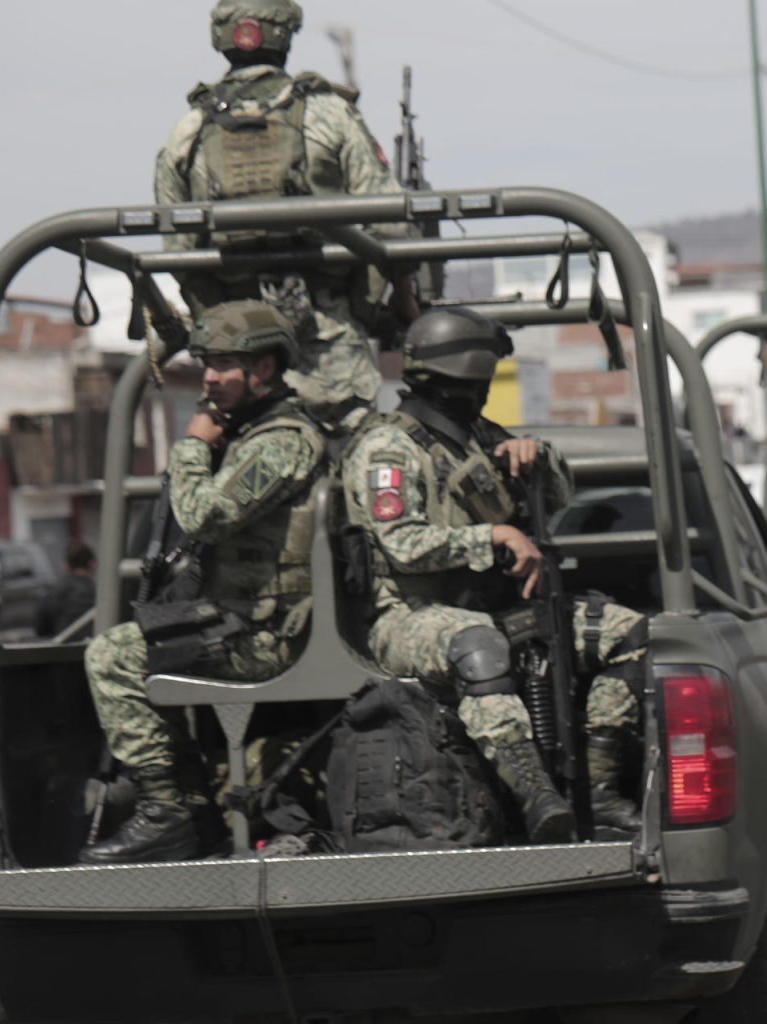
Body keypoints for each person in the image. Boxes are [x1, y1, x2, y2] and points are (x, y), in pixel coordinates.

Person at [342, 308, 648, 842]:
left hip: (489, 607)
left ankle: (597, 792)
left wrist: (536, 459)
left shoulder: (477, 435)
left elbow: (559, 497)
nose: (482, 393)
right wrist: (492, 537)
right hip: (407, 618)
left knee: (627, 633)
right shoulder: (388, 448)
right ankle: (534, 795)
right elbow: (402, 545)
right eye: (480, 382)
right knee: (479, 646)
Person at [81, 301, 323, 864]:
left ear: (263, 368)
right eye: (206, 363)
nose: (209, 377)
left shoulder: (282, 440)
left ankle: (169, 811)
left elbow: (204, 515)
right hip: (241, 619)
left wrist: (191, 445)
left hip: (265, 633)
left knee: (111, 657)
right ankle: (189, 809)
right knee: (130, 644)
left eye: (223, 365)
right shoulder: (252, 433)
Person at [155, 0, 414, 431]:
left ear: (220, 39)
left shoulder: (188, 131)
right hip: (330, 348)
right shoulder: (331, 115)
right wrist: (381, 304)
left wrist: (215, 323)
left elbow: (177, 252)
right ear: (287, 37)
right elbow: (392, 227)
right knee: (352, 463)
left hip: (237, 366)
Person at [36, 540, 98, 639]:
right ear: (92, 564)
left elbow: (41, 628)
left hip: (61, 650)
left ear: (66, 565)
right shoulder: (103, 594)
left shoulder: (53, 592)